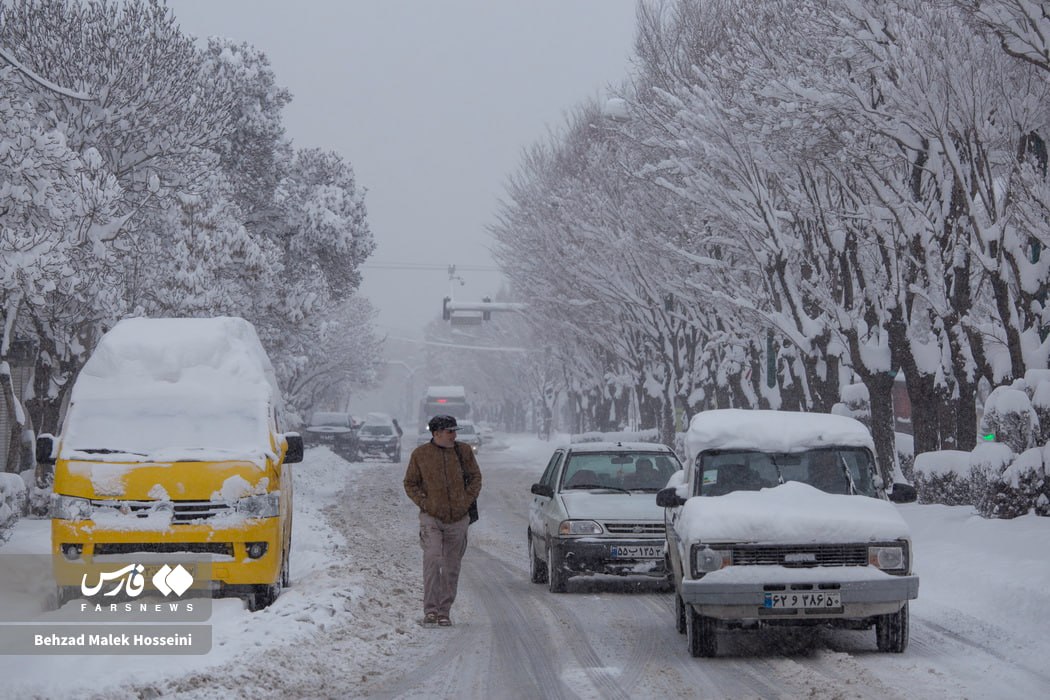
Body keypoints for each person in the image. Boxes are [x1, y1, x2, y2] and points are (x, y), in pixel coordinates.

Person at [403, 414, 482, 627]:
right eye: (450, 431)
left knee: (451, 566)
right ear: (436, 433)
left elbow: (475, 477)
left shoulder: (463, 451)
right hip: (431, 518)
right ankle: (430, 610)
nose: (454, 435)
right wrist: (426, 503)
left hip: (458, 519)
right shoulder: (421, 455)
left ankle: (443, 611)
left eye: (455, 431)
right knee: (432, 560)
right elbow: (410, 483)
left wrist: (464, 501)